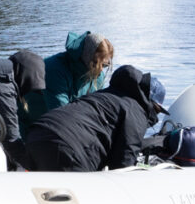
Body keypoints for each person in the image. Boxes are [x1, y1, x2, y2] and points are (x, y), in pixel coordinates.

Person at [13, 65, 175, 173]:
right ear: (152, 104)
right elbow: (122, 164)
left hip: (37, 134)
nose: (156, 115)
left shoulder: (107, 94)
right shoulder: (136, 111)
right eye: (157, 110)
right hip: (66, 148)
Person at [23, 31, 115, 121]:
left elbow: (98, 108)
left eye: (104, 65)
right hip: (34, 117)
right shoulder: (55, 70)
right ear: (87, 58)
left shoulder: (98, 75)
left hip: (68, 119)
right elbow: (61, 116)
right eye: (96, 64)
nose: (101, 70)